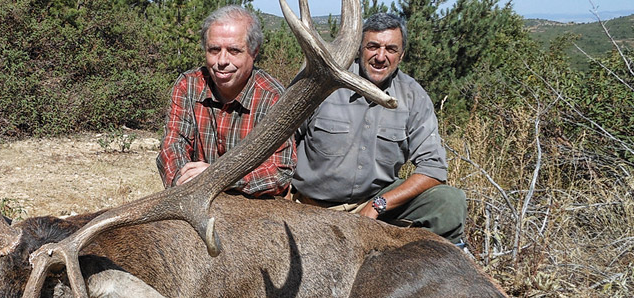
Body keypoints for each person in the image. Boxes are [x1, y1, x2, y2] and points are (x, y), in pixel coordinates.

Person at [291, 13, 467, 245]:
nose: (380, 57)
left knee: (449, 201)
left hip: (374, 206)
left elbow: (434, 169)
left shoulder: (413, 96)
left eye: (391, 49)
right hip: (311, 206)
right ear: (359, 49)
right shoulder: (323, 81)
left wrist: (378, 205)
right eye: (372, 46)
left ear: (401, 55)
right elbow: (285, 141)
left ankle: (440, 267)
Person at [156, 5, 295, 197]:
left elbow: (279, 171)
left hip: (255, 209)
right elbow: (172, 146)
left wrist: (217, 177)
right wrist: (183, 182)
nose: (222, 60)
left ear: (254, 52)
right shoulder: (188, 85)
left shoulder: (274, 98)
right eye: (214, 50)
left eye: (233, 50)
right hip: (196, 197)